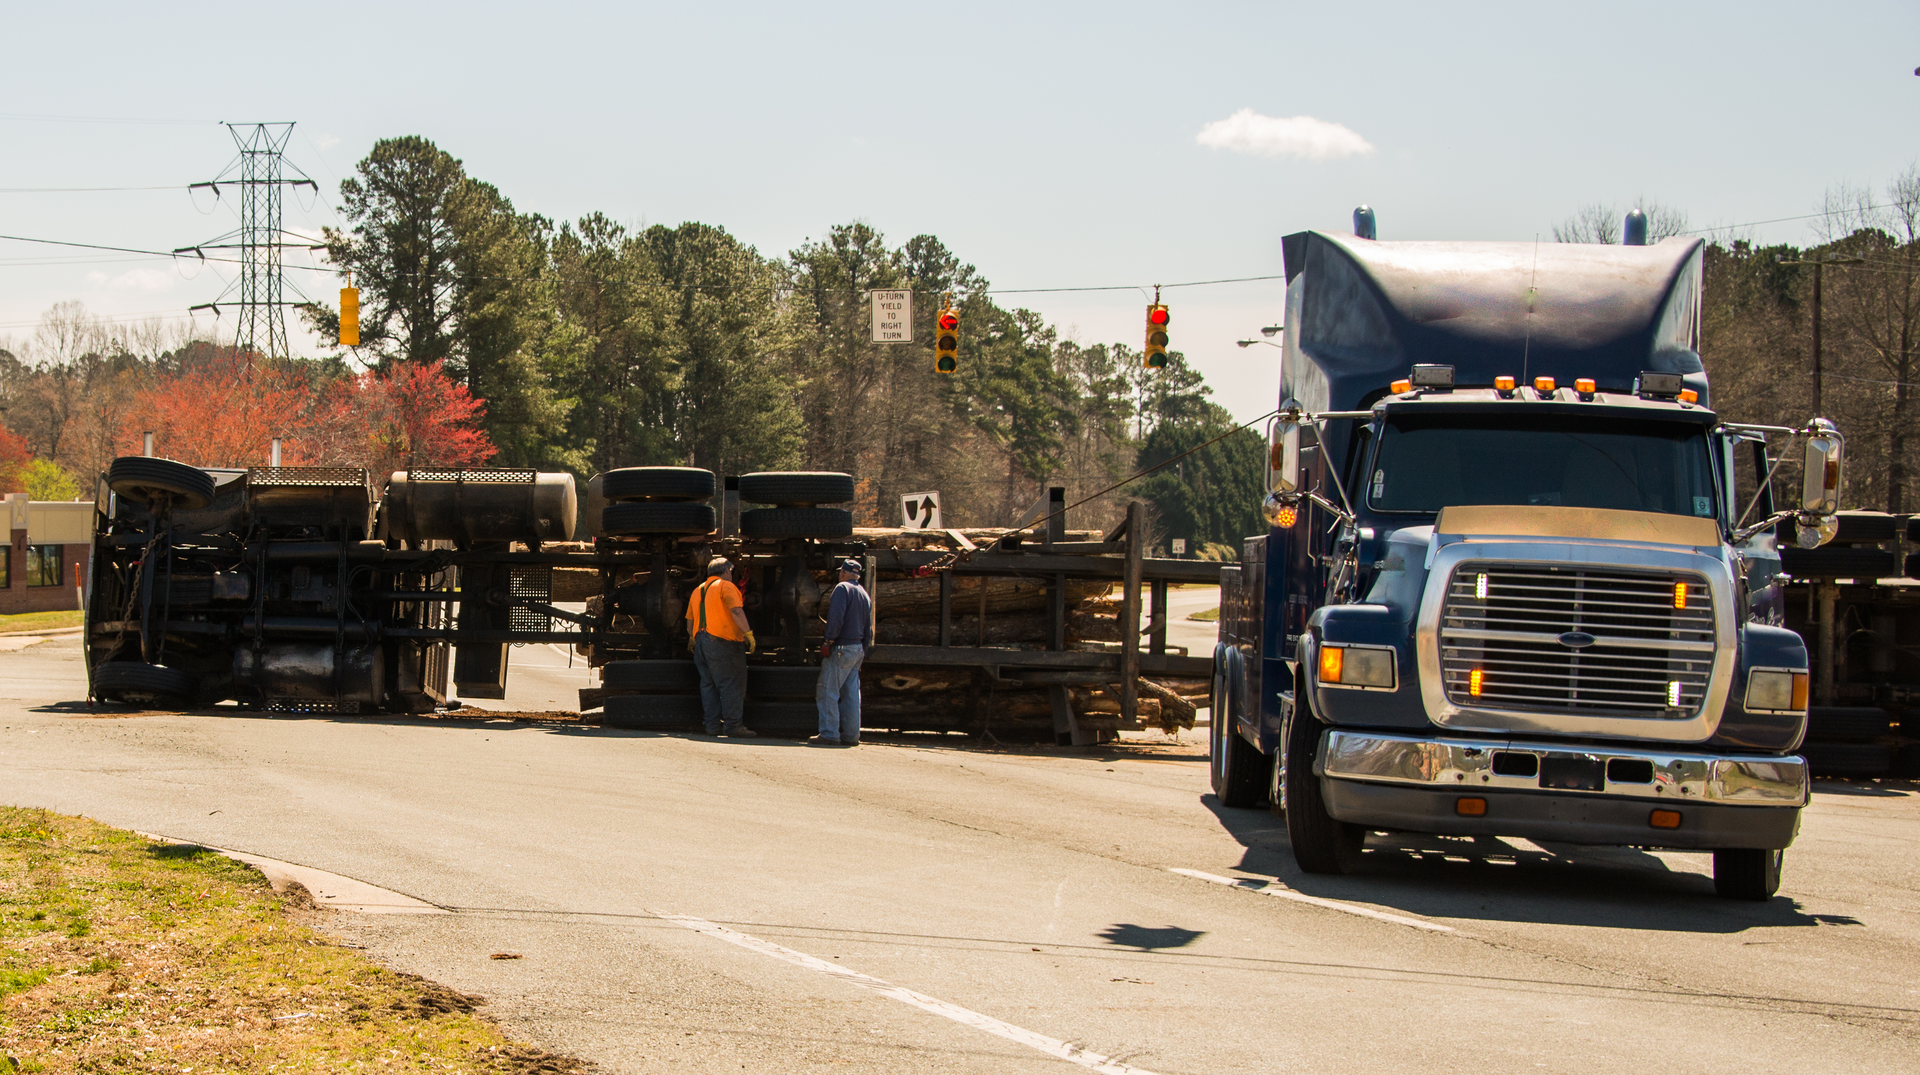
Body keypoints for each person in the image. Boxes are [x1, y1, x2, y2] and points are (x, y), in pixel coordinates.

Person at [685, 557, 756, 737]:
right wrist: (748, 633)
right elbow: (736, 611)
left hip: (700, 642)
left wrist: (693, 639)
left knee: (708, 684)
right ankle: (733, 726)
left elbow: (689, 622)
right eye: (730, 572)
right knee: (731, 684)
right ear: (726, 571)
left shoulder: (697, 591)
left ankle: (711, 726)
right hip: (722, 642)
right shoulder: (726, 586)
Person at [810, 559, 872, 747]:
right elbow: (868, 627)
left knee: (828, 689)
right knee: (851, 693)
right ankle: (852, 735)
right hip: (857, 648)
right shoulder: (864, 593)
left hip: (842, 648)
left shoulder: (842, 589)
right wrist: (864, 649)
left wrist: (829, 641)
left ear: (843, 573)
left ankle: (829, 733)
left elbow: (836, 617)